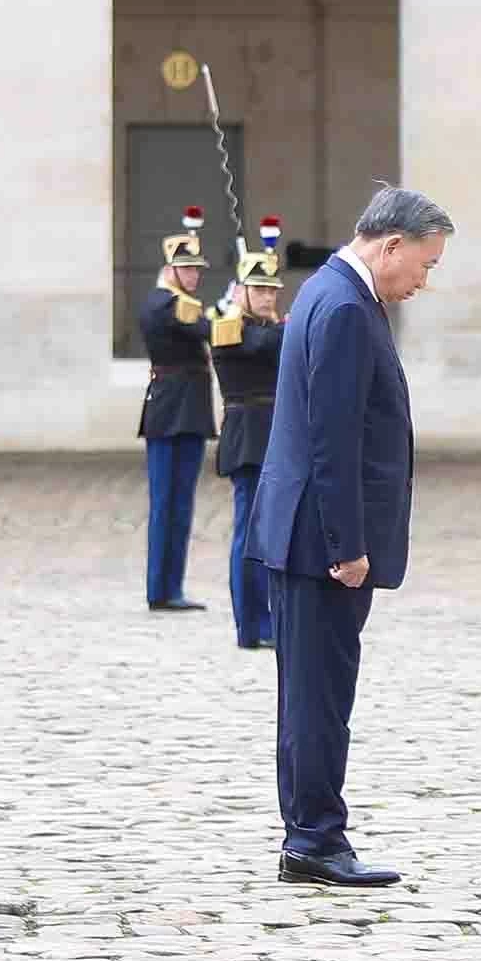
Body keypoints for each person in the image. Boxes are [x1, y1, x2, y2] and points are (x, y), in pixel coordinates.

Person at [250, 183, 443, 887]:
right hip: (319, 543)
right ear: (391, 245)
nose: (424, 281)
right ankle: (314, 839)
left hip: (307, 534)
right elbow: (332, 440)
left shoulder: (336, 295)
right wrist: (347, 545)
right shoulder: (342, 307)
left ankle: (311, 832)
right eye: (424, 264)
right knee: (318, 695)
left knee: (314, 692)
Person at [211, 221, 290, 651]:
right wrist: (284, 325)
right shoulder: (230, 327)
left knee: (270, 534)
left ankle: (267, 620)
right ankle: (250, 624)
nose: (267, 297)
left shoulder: (266, 327)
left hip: (272, 438)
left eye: (272, 291)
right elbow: (264, 345)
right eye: (258, 290)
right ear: (240, 291)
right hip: (247, 438)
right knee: (248, 535)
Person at [137, 206, 218, 616]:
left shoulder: (179, 302)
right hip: (171, 412)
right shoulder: (164, 304)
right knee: (168, 502)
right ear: (171, 269)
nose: (195, 275)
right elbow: (206, 330)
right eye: (188, 269)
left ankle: (171, 585)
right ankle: (161, 589)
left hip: (187, 411)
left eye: (197, 269)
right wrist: (231, 310)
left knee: (181, 503)